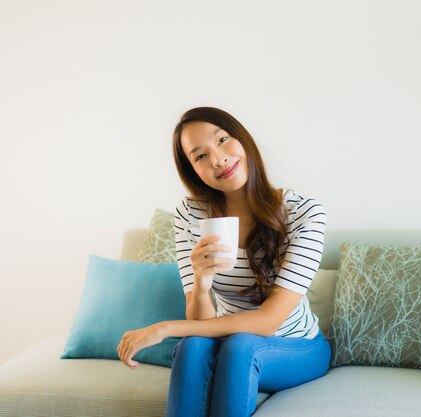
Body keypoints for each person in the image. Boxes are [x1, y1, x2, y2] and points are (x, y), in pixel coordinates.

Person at [116, 106, 331, 417]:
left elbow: (268, 321)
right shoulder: (191, 215)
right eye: (200, 156)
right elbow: (201, 321)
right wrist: (201, 286)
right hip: (228, 340)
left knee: (240, 346)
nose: (217, 159)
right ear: (193, 171)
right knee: (192, 346)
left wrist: (166, 328)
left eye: (222, 140)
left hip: (296, 345)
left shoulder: (305, 213)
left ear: (243, 140)